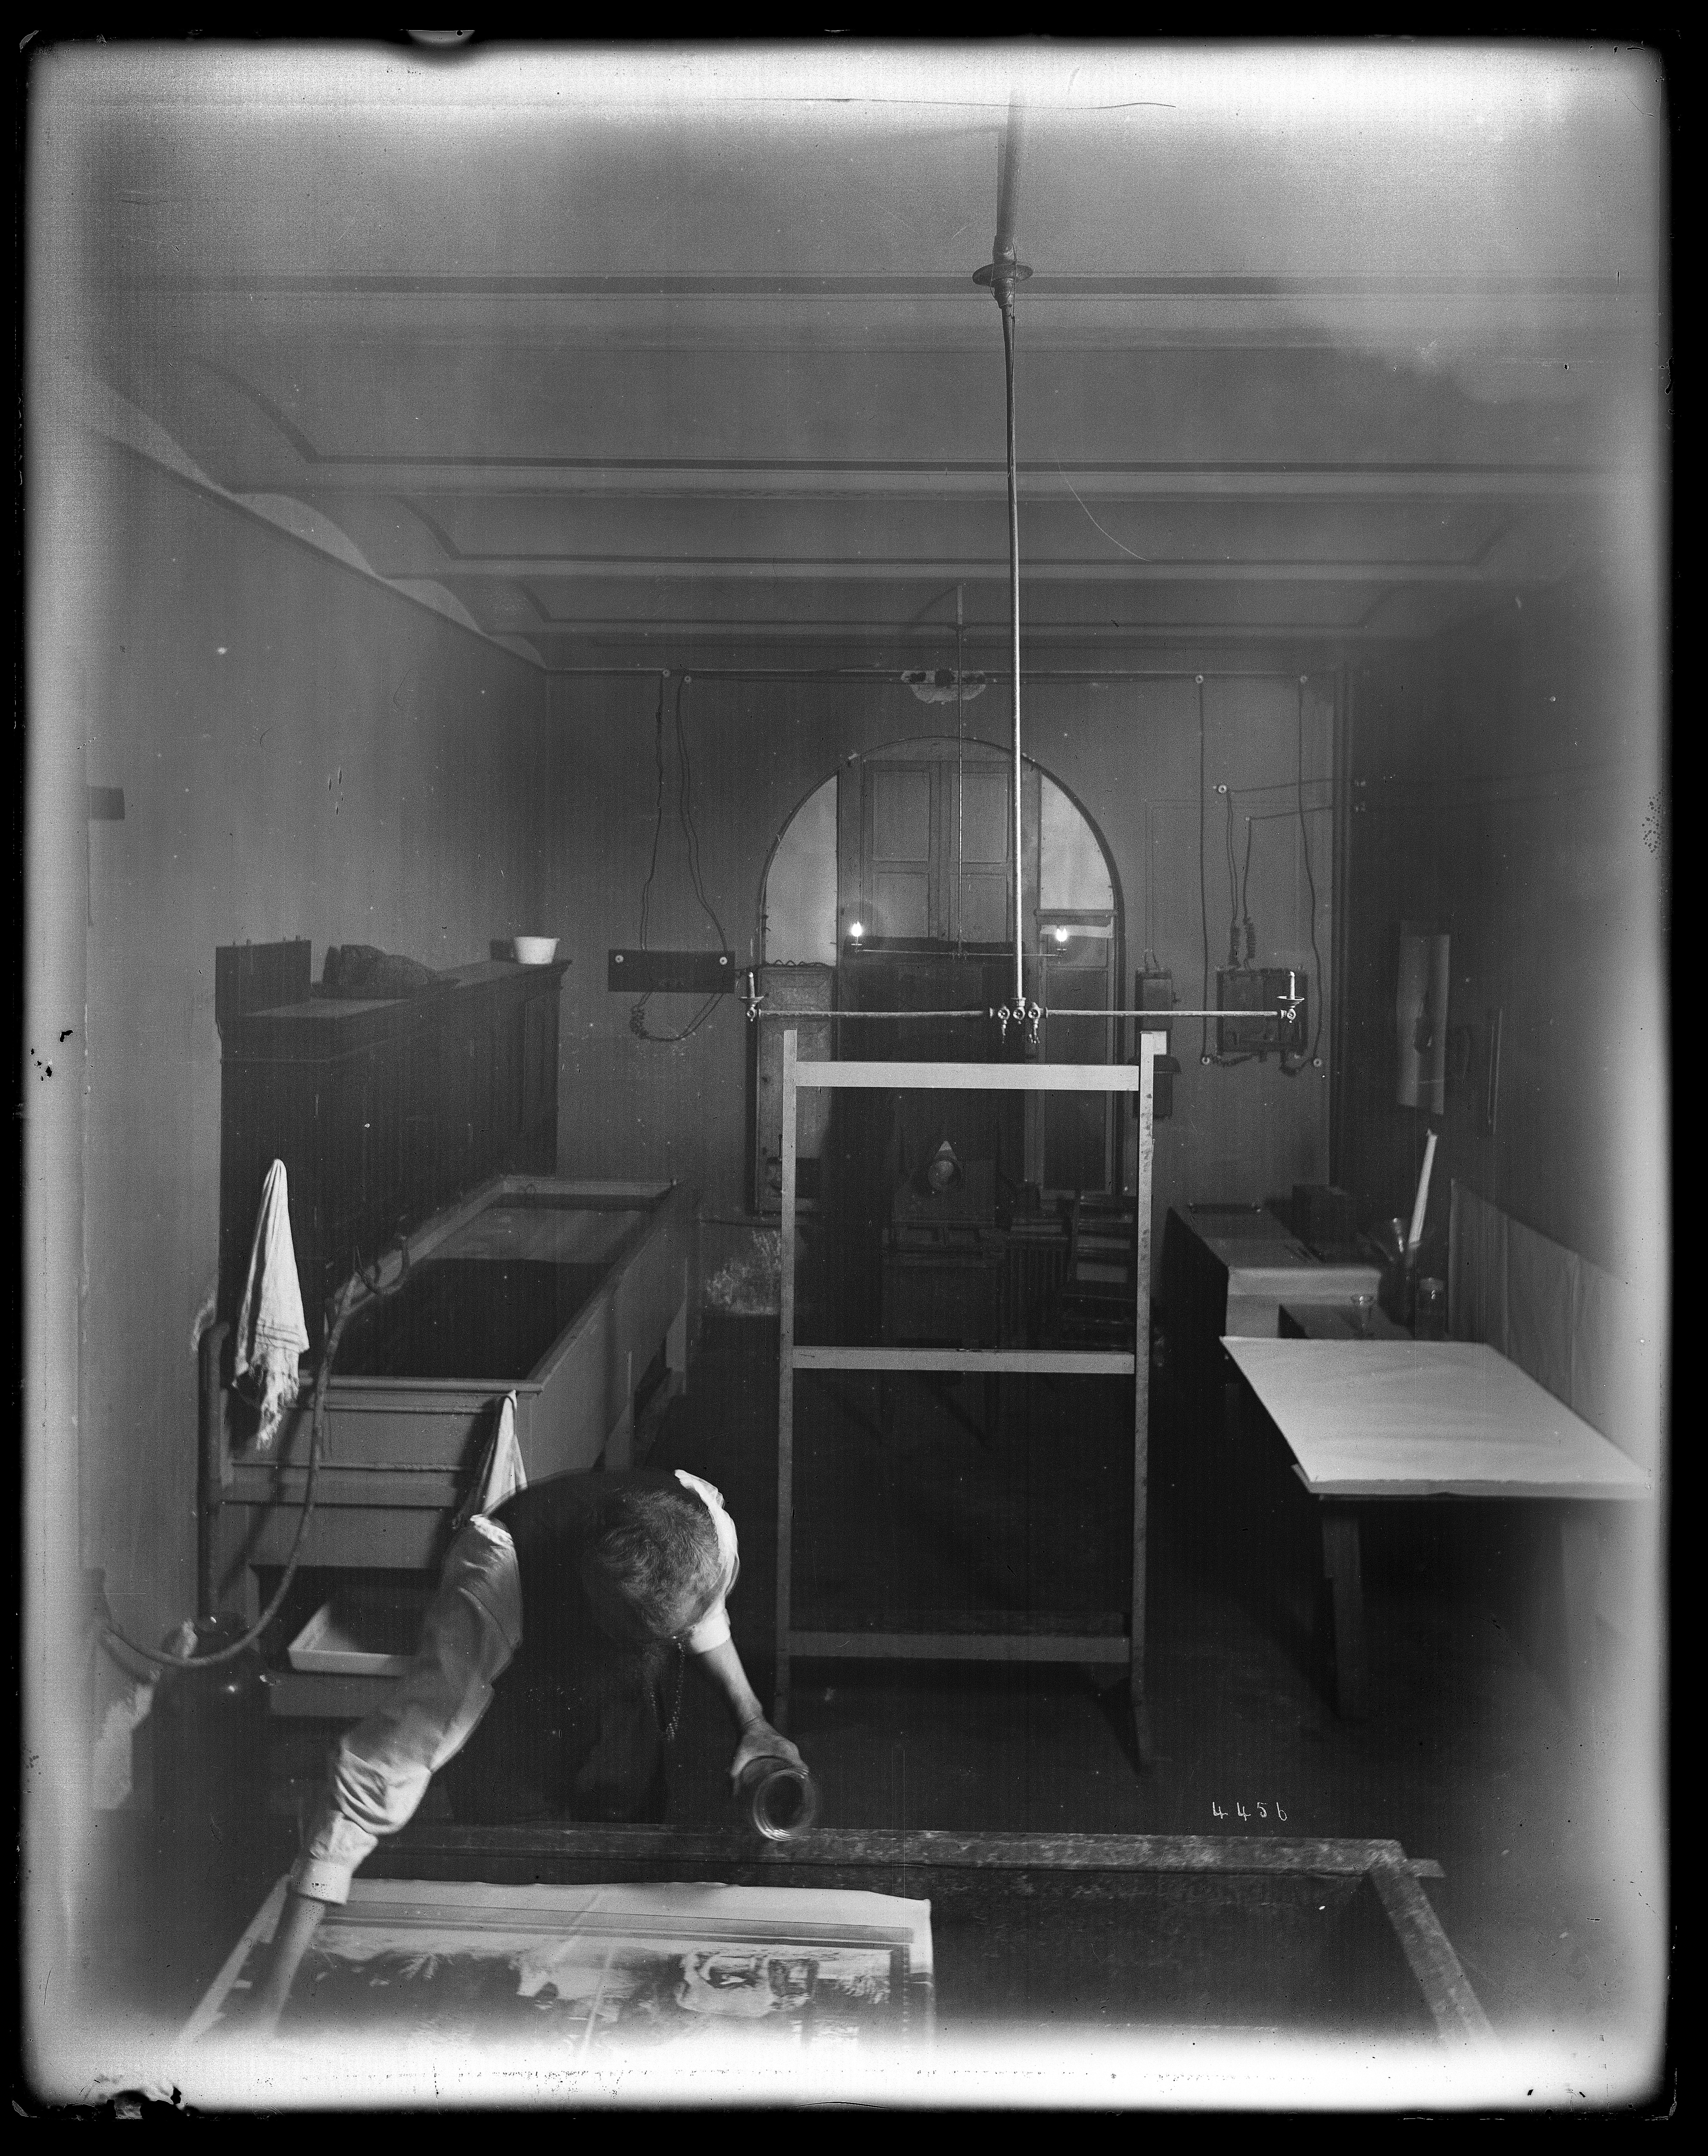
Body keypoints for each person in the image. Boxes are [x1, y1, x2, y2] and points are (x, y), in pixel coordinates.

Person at [252, 1467, 802, 2031]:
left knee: (629, 1892)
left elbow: (703, 1617)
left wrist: (753, 1720)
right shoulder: (494, 1577)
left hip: (619, 1726)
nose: (664, 1644)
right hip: (515, 1744)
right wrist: (272, 1992)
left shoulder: (707, 1528)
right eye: (635, 1632)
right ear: (591, 1582)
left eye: (664, 1638)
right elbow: (376, 1776)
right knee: (515, 1959)